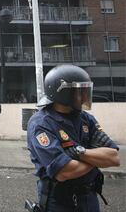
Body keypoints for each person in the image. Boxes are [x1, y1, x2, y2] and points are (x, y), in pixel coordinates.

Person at [25, 64, 120, 212]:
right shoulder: (41, 124)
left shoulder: (86, 119)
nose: (85, 96)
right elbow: (64, 172)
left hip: (89, 198)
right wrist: (97, 159)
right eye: (80, 91)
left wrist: (78, 153)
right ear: (63, 93)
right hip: (59, 201)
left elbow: (113, 158)